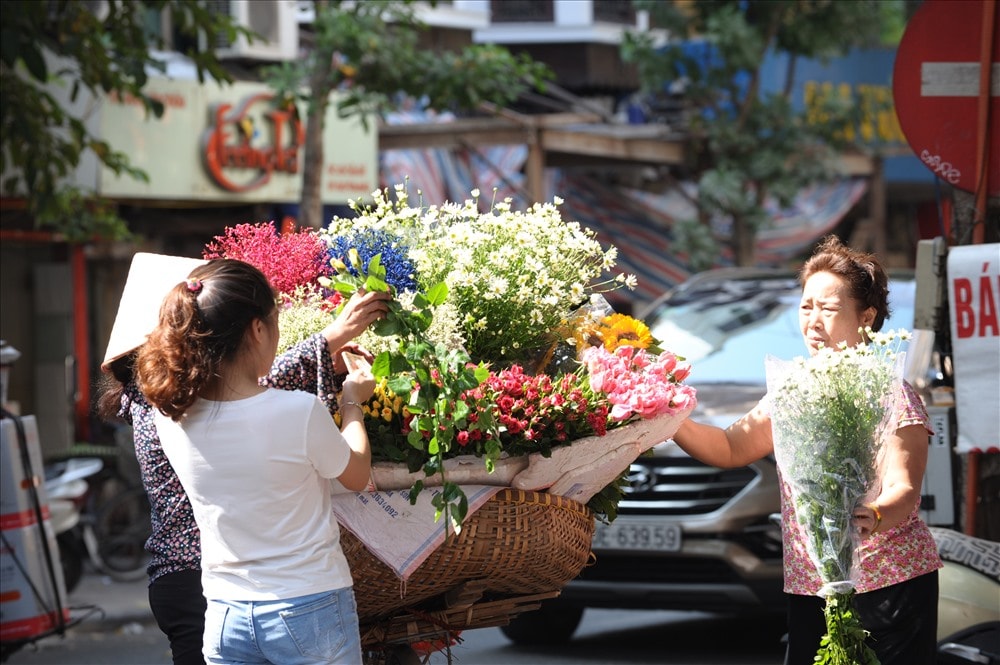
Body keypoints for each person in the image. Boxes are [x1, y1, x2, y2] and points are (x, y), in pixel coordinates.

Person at [98, 258, 389, 665]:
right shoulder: (298, 412)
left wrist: (329, 342)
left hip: (225, 613)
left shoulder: (169, 416)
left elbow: (244, 397)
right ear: (256, 329)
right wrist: (352, 402)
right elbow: (357, 474)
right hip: (307, 605)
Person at [670, 236, 942, 665]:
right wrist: (669, 418)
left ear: (866, 317)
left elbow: (903, 488)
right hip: (811, 583)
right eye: (805, 307)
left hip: (888, 584)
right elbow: (729, 445)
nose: (813, 321)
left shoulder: (890, 391)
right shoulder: (792, 388)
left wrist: (873, 515)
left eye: (828, 309)